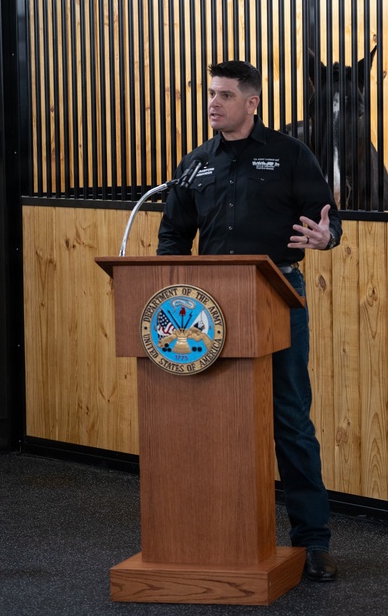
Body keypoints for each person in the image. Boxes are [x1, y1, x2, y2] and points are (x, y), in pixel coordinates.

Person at [157, 60, 341, 582]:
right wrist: (170, 277)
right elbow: (173, 235)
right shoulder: (195, 163)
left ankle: (313, 541)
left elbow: (327, 219)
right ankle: (219, 531)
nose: (213, 102)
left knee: (290, 419)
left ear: (252, 103)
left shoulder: (288, 155)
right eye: (211, 93)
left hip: (276, 296)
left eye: (224, 95)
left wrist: (327, 238)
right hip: (207, 311)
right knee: (216, 422)